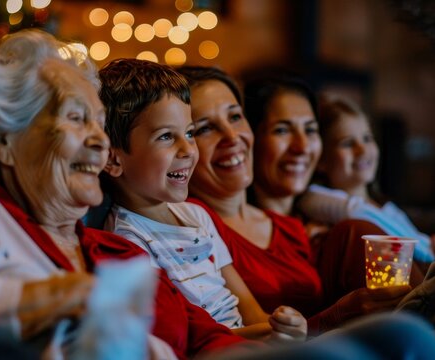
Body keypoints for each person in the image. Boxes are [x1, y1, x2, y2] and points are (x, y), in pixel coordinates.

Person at [0, 29, 248, 360]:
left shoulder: (120, 251)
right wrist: (62, 295)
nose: (99, 141)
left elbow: (206, 337)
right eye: (76, 118)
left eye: (99, 124)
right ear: (2, 138)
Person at [177, 66, 411, 335]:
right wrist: (341, 313)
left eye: (235, 117)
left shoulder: (289, 227)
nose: (232, 137)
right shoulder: (193, 226)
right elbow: (237, 335)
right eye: (205, 129)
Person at [98, 58, 307, 343]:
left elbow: (249, 309)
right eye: (166, 137)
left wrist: (282, 326)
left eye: (189, 133)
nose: (188, 149)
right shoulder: (126, 244)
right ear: (113, 158)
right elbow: (188, 340)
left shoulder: (198, 216)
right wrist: (269, 335)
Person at [297, 92, 435, 264]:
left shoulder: (388, 209)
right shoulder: (315, 199)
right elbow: (357, 212)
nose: (363, 150)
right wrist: (428, 251)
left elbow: (419, 241)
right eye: (347, 143)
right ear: (321, 159)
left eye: (367, 138)